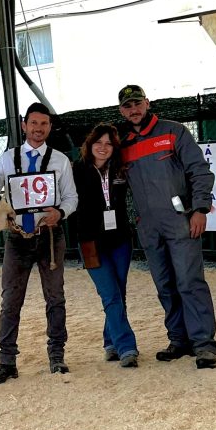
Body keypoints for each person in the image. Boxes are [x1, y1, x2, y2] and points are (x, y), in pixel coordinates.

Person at [117, 83, 216, 370]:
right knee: (164, 285)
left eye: (137, 103)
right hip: (148, 227)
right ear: (121, 111)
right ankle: (179, 340)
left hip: (181, 221)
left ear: (147, 103)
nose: (133, 109)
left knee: (189, 282)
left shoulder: (174, 132)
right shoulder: (123, 145)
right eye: (127, 106)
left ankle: (204, 345)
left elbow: (199, 171)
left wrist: (200, 209)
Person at [0, 102, 78, 382]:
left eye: (44, 124)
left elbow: (71, 197)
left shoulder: (60, 160)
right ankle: (6, 361)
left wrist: (60, 212)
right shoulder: (8, 158)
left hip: (50, 237)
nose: (39, 129)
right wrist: (2, 212)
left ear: (50, 127)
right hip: (17, 238)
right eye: (34, 123)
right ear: (24, 125)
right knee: (11, 299)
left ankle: (57, 355)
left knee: (55, 296)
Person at [73, 123, 138, 368]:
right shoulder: (77, 170)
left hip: (121, 240)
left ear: (114, 147)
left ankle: (110, 342)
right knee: (110, 294)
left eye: (108, 143)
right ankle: (127, 347)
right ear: (90, 145)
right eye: (98, 142)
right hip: (91, 243)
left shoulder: (121, 170)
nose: (103, 147)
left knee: (117, 294)